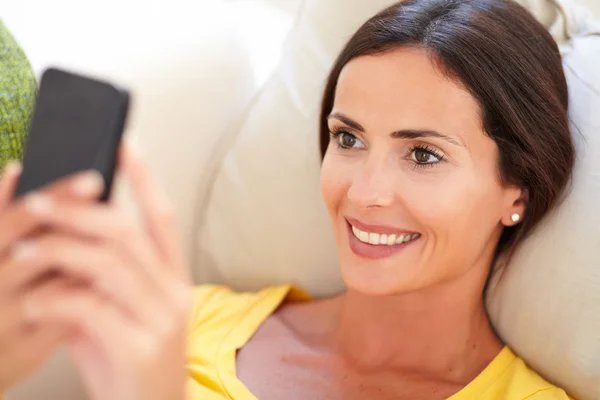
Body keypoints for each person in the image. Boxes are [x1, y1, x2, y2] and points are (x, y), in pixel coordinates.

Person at [0, 0, 577, 399]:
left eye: (423, 154)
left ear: (517, 188)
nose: (363, 193)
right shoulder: (183, 319)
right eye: (347, 138)